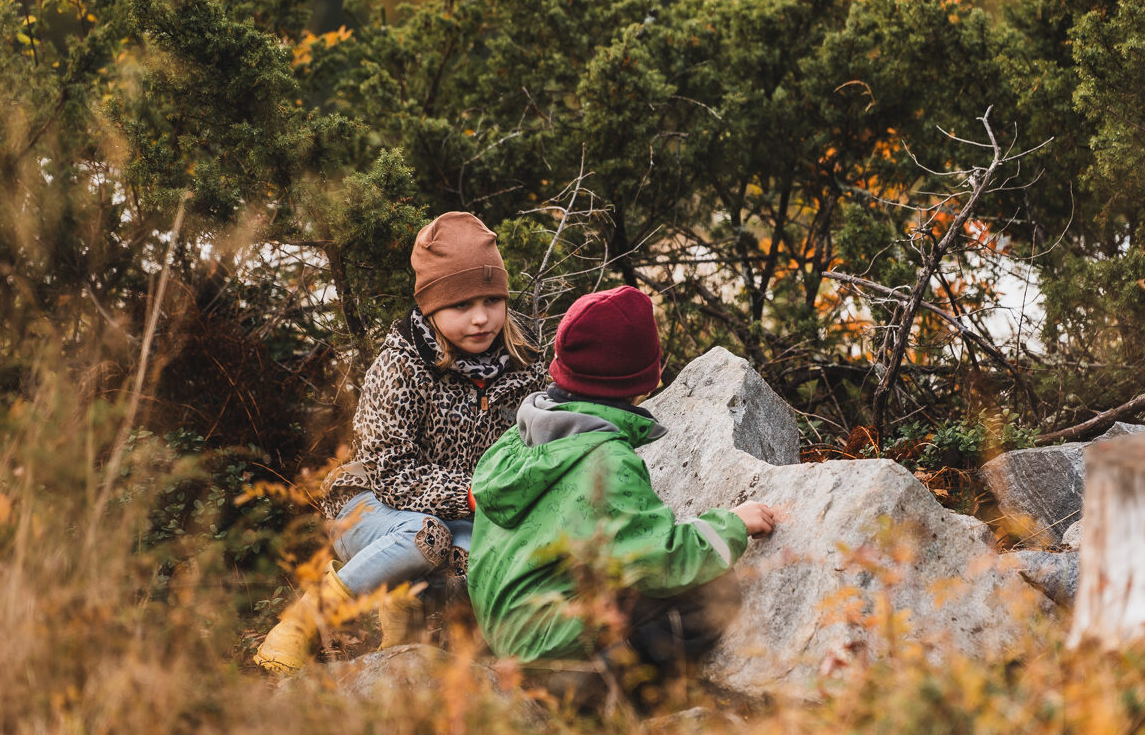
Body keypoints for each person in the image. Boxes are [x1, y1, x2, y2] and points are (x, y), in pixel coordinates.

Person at [253, 211, 548, 674]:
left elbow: (538, 439)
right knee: (422, 534)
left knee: (485, 559)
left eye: (493, 299)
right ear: (431, 307)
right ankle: (302, 622)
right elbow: (392, 470)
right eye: (461, 305)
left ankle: (404, 624)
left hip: (467, 511)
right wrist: (473, 492)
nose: (480, 317)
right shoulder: (401, 365)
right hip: (370, 504)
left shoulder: (525, 361)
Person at [465, 286, 777, 702]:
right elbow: (660, 560)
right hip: (551, 652)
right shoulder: (607, 459)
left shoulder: (519, 435)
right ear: (644, 377)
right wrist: (732, 524)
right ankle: (618, 698)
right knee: (712, 591)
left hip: (504, 627)